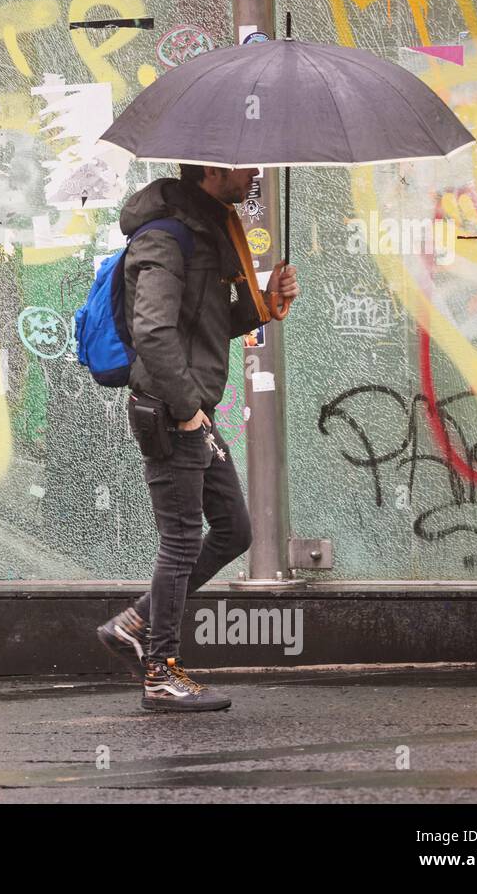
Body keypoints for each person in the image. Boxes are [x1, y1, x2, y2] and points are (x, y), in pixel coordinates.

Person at [95, 165, 299, 712]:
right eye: (243, 164)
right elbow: (153, 331)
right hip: (170, 410)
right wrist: (187, 412)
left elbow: (206, 324)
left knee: (233, 528)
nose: (254, 172)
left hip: (192, 409)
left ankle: (136, 621)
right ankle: (160, 673)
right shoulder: (165, 236)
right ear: (212, 169)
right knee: (182, 539)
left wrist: (266, 302)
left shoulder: (206, 228)